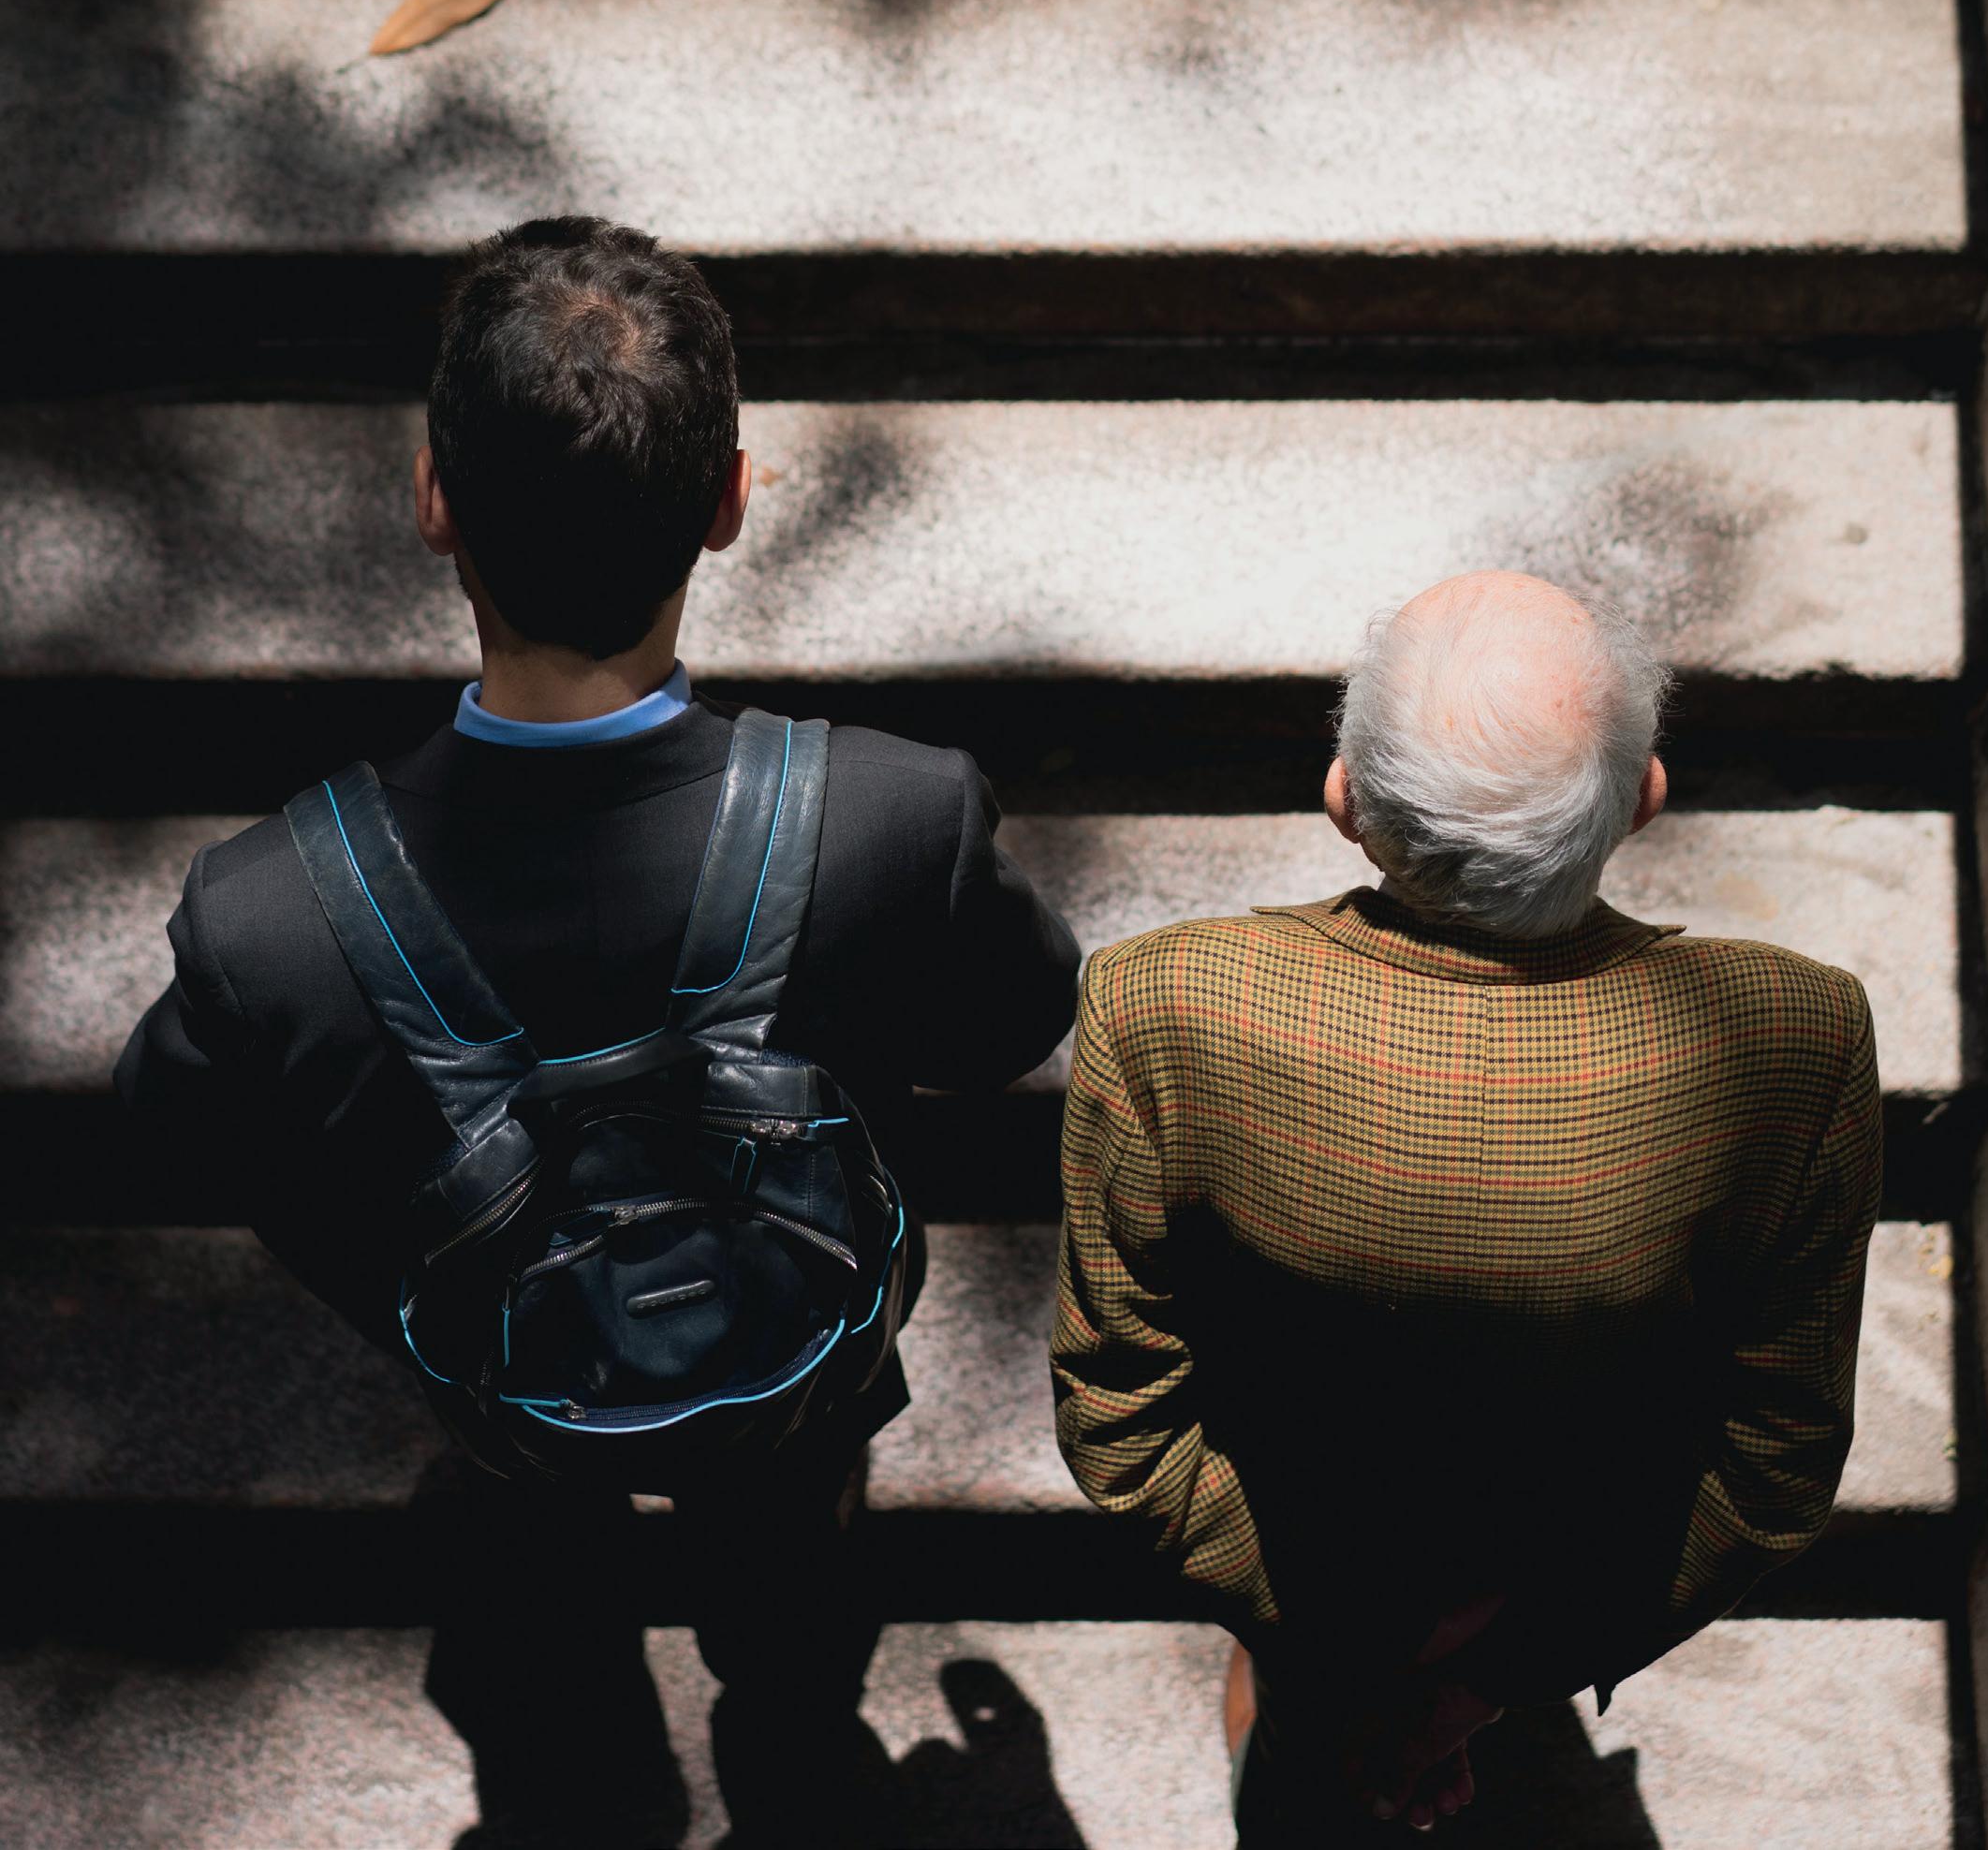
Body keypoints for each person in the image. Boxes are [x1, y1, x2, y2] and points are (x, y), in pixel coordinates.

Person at [117, 214, 1080, 1849]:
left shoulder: (268, 913)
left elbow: (177, 1133)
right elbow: (1013, 1021)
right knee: (790, 1556)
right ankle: (785, 1710)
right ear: (728, 503)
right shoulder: (891, 817)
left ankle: (578, 1725)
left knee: (534, 1526)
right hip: (797, 1360)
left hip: (512, 1372)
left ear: (434, 501)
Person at [1051, 570, 1882, 1842]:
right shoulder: (1798, 1040)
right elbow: (1774, 1464)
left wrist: (1339, 1641)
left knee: (1302, 1779)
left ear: (1343, 800)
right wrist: (1489, 1678)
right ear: (1645, 797)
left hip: (1303, 1529)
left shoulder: (1162, 1007)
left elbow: (1121, 1419)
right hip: (1581, 1533)